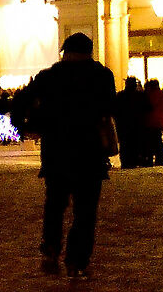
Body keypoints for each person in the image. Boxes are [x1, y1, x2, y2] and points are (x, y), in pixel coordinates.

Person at [19, 31, 118, 279]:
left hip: (56, 150)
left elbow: (21, 101)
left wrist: (28, 125)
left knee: (55, 204)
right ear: (90, 52)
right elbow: (110, 108)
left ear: (65, 52)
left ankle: (51, 247)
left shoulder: (48, 76)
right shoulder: (102, 75)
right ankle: (76, 261)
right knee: (86, 210)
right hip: (90, 151)